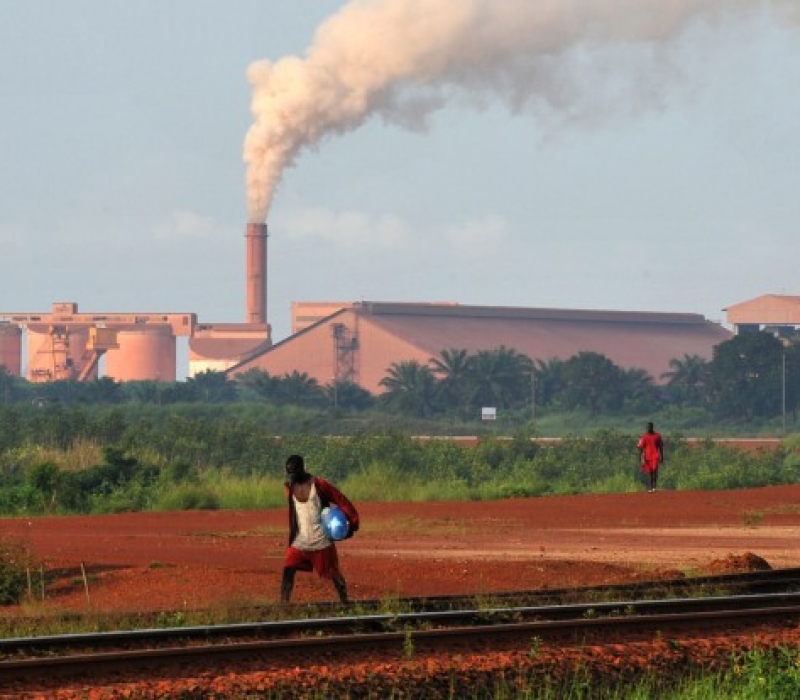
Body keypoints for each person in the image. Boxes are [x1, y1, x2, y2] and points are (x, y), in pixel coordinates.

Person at [281, 454, 359, 604]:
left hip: (322, 541)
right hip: (300, 541)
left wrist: (352, 524)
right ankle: (283, 607)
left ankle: (345, 604)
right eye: (289, 473)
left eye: (293, 472)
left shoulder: (320, 485)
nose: (291, 476)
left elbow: (341, 500)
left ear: (302, 468)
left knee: (334, 574)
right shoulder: (289, 487)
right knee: (288, 570)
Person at [637, 422, 664, 492]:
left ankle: (654, 487)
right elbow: (641, 448)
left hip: (655, 456)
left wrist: (662, 456)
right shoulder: (644, 437)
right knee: (650, 472)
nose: (648, 428)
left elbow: (660, 447)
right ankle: (650, 487)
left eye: (649, 427)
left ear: (652, 427)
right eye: (647, 427)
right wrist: (639, 457)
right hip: (647, 457)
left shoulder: (658, 436)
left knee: (655, 471)